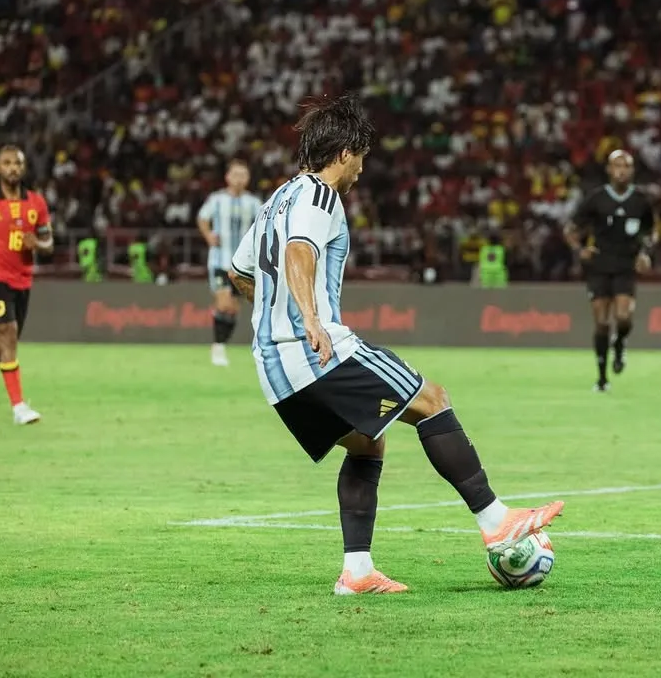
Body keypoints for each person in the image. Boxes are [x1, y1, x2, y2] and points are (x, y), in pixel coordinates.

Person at [228, 94, 564, 595]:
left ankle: (357, 572)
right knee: (432, 400)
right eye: (362, 155)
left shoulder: (275, 200)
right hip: (318, 350)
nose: (363, 167)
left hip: (274, 369)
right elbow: (300, 253)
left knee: (368, 442)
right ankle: (497, 521)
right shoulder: (320, 196)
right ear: (344, 152)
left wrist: (276, 316)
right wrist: (311, 319)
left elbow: (239, 273)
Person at [564, 150, 656, 392]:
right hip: (600, 265)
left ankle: (621, 342)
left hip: (626, 265)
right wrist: (580, 249)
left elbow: (651, 231)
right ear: (609, 169)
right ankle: (602, 378)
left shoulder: (641, 200)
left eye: (626, 166)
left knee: (624, 317)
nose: (621, 170)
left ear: (632, 171)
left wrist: (646, 252)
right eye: (617, 166)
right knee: (602, 322)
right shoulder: (596, 199)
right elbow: (571, 228)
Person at [0, 145, 52, 424]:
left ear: (23, 169)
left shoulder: (36, 204)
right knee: (7, 331)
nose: (12, 168)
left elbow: (49, 241)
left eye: (17, 163)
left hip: (21, 282)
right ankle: (19, 407)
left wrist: (38, 243)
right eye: (7, 163)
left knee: (1, 350)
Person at [197, 159, 262, 366]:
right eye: (236, 174)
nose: (239, 179)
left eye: (243, 175)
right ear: (227, 177)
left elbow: (264, 223)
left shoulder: (253, 203)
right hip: (219, 260)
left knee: (233, 309)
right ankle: (218, 346)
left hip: (242, 264)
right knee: (224, 303)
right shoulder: (216, 199)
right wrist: (208, 235)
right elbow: (202, 218)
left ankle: (220, 344)